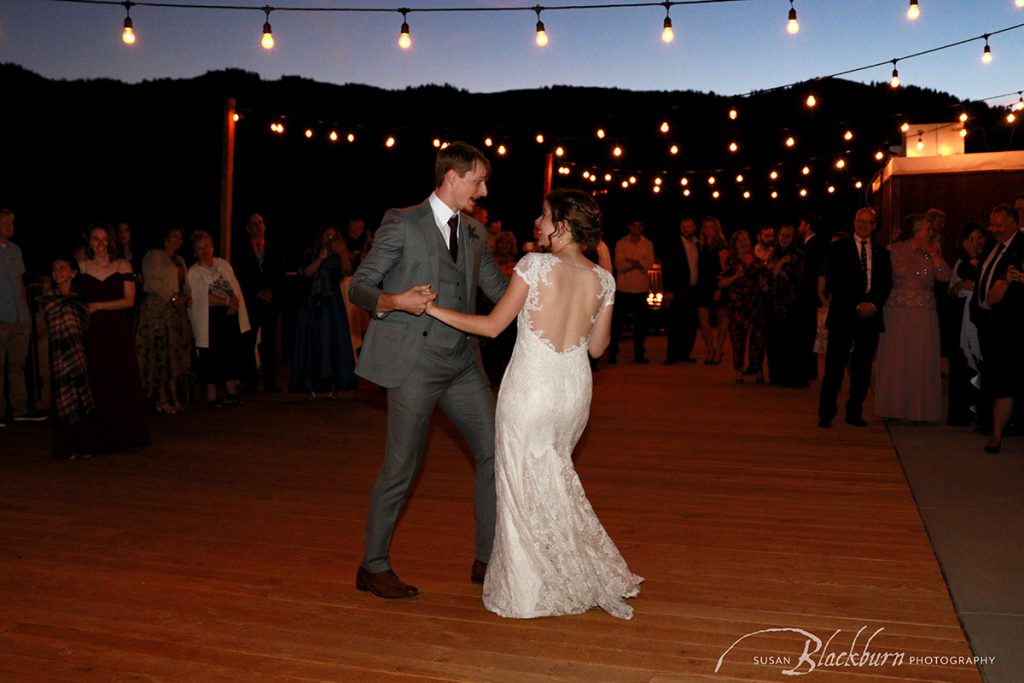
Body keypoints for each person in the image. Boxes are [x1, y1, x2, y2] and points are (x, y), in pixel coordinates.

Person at [426, 188, 643, 620]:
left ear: (563, 226)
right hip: (573, 392)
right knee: (553, 477)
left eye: (544, 217)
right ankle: (568, 568)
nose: (538, 224)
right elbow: (598, 349)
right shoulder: (605, 279)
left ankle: (529, 590)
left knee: (520, 485)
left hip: (532, 390)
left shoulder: (534, 265)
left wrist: (433, 310)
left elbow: (491, 327)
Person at [350, 141, 508, 600]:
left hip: (462, 365)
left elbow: (499, 290)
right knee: (401, 466)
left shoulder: (476, 233)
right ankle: (373, 567)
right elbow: (361, 285)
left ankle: (487, 559)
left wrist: (549, 291)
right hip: (414, 365)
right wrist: (396, 301)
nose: (482, 191)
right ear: (453, 177)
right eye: (478, 181)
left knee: (495, 452)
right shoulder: (402, 222)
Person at [77, 222, 151, 451]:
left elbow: (129, 301)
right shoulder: (82, 266)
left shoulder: (122, 264)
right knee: (97, 378)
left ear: (111, 241)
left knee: (121, 378)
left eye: (104, 238)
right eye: (95, 238)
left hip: (117, 328)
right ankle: (99, 435)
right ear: (89, 242)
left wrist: (99, 305)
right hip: (93, 331)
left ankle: (127, 434)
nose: (100, 243)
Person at [817, 208, 893, 428]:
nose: (864, 226)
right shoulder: (837, 248)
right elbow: (834, 282)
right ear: (854, 222)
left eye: (869, 222)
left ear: (875, 225)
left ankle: (854, 412)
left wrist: (873, 304)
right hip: (843, 314)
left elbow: (886, 284)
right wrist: (857, 304)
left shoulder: (882, 253)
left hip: (870, 316)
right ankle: (826, 413)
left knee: (863, 368)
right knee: (834, 366)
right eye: (861, 221)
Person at [874, 214, 950, 423]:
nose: (931, 232)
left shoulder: (934, 250)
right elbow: (881, 278)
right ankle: (893, 408)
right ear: (916, 230)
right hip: (896, 310)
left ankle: (921, 411)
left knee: (921, 358)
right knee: (896, 359)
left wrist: (935, 255)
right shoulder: (894, 249)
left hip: (924, 313)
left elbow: (945, 277)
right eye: (928, 229)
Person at [970, 204, 1023, 453]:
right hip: (987, 323)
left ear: (1013, 223)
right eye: (991, 224)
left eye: (998, 225)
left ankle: (997, 435)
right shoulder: (994, 245)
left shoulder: (1020, 248)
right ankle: (993, 425)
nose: (993, 229)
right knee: (993, 377)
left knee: (1005, 380)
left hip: (1009, 325)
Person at [38, 257, 98, 459]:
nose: (58, 272)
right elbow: (50, 323)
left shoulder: (79, 298)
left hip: (78, 350)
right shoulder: (48, 298)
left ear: (73, 272)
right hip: (59, 353)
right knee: (64, 396)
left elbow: (85, 323)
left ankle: (84, 445)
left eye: (62, 268)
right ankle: (65, 448)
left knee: (81, 393)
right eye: (55, 269)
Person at [289, 224, 357, 399]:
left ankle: (334, 384)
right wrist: (320, 259)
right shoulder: (310, 253)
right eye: (327, 235)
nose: (330, 239)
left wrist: (342, 252)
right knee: (313, 341)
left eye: (334, 236)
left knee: (333, 342)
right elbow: (306, 273)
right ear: (320, 237)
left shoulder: (338, 256)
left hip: (332, 304)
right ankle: (310, 384)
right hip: (313, 303)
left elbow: (348, 271)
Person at [187, 230, 250, 408]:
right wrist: (227, 301)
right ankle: (212, 396)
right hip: (209, 319)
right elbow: (202, 297)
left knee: (230, 352)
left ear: (212, 246)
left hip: (227, 316)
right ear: (195, 252)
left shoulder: (223, 265)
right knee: (210, 355)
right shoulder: (194, 272)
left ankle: (231, 392)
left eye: (207, 246)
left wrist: (234, 304)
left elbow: (234, 288)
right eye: (200, 248)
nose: (205, 250)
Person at [135, 226, 193, 414]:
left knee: (174, 355)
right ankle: (161, 398)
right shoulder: (153, 255)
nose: (177, 239)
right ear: (166, 238)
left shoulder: (180, 260)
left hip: (175, 313)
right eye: (174, 235)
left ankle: (175, 396)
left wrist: (186, 297)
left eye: (180, 237)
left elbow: (185, 284)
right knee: (159, 354)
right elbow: (153, 281)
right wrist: (174, 298)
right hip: (157, 311)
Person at [0, 208, 46, 426]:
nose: (10, 227)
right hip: (1, 316)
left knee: (17, 365)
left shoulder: (15, 249)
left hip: (19, 315)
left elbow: (20, 282)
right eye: (5, 223)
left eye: (12, 223)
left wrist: (25, 311)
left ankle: (20, 408)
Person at [232, 212, 285, 392]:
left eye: (260, 222)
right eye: (254, 223)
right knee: (248, 340)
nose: (258, 225)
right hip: (251, 301)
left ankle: (270, 381)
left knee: (269, 342)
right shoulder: (241, 250)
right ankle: (250, 381)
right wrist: (256, 292)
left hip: (270, 301)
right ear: (247, 228)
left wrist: (271, 291)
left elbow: (280, 274)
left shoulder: (274, 248)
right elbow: (240, 275)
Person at [946, 222, 987, 426]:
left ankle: (975, 408)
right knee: (963, 362)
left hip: (976, 318)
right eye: (973, 238)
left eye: (981, 237)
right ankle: (961, 412)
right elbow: (969, 280)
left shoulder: (982, 260)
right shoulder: (962, 262)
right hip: (962, 319)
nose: (978, 242)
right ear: (964, 241)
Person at [719, 229, 768, 384]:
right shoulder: (731, 261)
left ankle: (758, 369)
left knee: (758, 340)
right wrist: (735, 276)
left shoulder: (758, 262)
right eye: (740, 240)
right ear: (735, 243)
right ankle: (738, 370)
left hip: (755, 305)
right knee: (738, 339)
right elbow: (721, 283)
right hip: (738, 306)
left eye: (746, 239)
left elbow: (763, 284)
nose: (744, 242)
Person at [765, 225, 806, 387]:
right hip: (773, 303)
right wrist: (780, 265)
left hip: (791, 304)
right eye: (782, 234)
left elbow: (799, 279)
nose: (784, 238)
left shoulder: (798, 254)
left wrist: (779, 270)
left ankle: (793, 377)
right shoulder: (773, 254)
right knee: (775, 342)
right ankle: (777, 376)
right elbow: (769, 276)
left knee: (792, 341)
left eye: (788, 235)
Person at [608, 221, 654, 364]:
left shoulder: (647, 244)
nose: (636, 228)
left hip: (641, 288)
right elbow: (619, 265)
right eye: (634, 225)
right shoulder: (621, 243)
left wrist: (631, 261)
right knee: (617, 323)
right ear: (629, 227)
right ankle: (612, 353)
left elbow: (650, 263)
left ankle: (639, 354)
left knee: (641, 323)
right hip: (624, 288)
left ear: (642, 227)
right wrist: (639, 263)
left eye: (639, 226)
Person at [662, 217, 700, 365]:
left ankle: (685, 354)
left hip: (694, 289)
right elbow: (667, 269)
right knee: (675, 324)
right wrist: (668, 291)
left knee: (690, 324)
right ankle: (671, 355)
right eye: (684, 226)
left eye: (689, 226)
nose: (686, 229)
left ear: (694, 227)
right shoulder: (672, 245)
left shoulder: (699, 244)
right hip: (677, 290)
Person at [696, 217, 729, 365]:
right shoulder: (700, 246)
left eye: (711, 227)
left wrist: (719, 289)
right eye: (706, 227)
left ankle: (719, 350)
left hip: (717, 285)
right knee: (703, 317)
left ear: (716, 229)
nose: (708, 230)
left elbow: (725, 270)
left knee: (721, 316)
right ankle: (710, 349)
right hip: (703, 285)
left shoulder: (722, 247)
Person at [797, 213, 825, 381]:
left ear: (807, 225)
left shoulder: (813, 245)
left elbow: (810, 273)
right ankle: (808, 368)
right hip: (808, 294)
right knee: (808, 331)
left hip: (808, 294)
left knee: (807, 332)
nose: (799, 227)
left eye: (801, 224)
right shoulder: (810, 244)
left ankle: (808, 369)